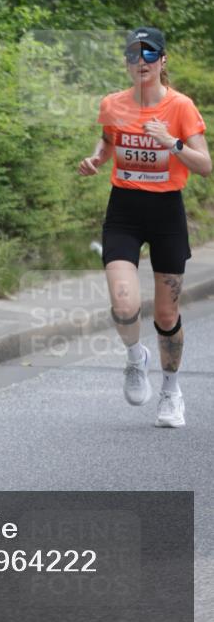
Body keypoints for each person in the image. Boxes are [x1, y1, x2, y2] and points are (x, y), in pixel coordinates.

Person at [78, 27, 210, 428]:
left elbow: (205, 165)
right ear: (126, 61)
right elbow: (108, 141)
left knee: (167, 315)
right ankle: (136, 358)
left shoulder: (181, 107)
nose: (142, 62)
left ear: (163, 60)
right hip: (125, 210)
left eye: (149, 54)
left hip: (167, 212)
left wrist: (171, 142)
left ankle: (171, 390)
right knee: (124, 305)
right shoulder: (112, 104)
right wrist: (97, 159)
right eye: (134, 55)